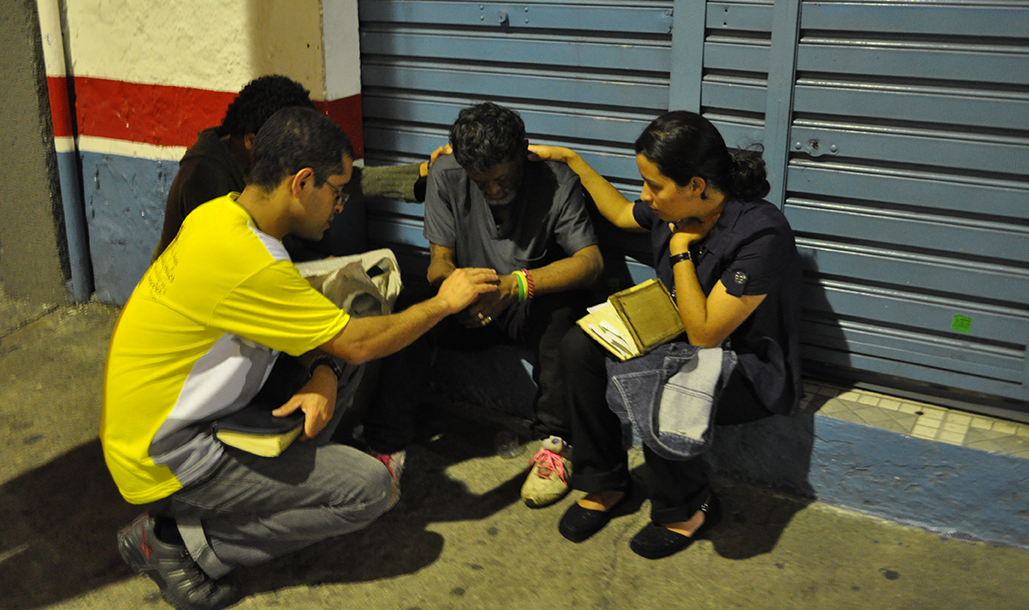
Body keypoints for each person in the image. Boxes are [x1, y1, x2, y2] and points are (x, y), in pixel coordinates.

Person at [103, 107, 497, 610]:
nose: (341, 205)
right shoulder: (250, 261)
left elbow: (320, 335)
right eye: (338, 190)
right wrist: (443, 303)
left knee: (342, 350)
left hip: (164, 424)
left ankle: (241, 496)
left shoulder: (221, 216)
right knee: (371, 490)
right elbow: (354, 340)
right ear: (302, 183)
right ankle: (180, 544)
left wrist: (325, 371)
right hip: (167, 459)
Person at [529, 111, 803, 559]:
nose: (646, 196)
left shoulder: (760, 232)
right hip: (684, 342)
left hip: (747, 371)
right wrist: (572, 159)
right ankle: (606, 480)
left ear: (696, 185)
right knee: (580, 344)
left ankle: (689, 507)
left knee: (654, 377)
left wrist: (679, 250)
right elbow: (619, 213)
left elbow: (706, 335)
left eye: (653, 185)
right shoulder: (675, 206)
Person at [362, 102, 604, 509]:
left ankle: (555, 447)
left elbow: (590, 262)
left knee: (562, 312)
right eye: (481, 181)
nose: (492, 190)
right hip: (468, 301)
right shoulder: (447, 173)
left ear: (522, 152)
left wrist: (514, 286)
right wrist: (454, 289)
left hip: (523, 299)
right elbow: (440, 259)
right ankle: (386, 446)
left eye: (501, 178)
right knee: (410, 308)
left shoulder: (557, 182)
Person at [153, 74, 427, 261]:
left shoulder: (265, 158)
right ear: (252, 140)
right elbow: (225, 265)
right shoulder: (202, 177)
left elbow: (336, 181)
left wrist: (422, 174)